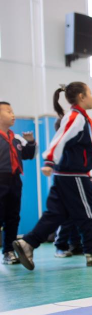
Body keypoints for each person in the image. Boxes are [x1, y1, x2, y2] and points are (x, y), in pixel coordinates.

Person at [13, 83, 92, 270]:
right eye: (91, 93)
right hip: (74, 176)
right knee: (87, 213)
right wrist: (49, 161)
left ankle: (27, 243)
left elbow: (78, 147)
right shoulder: (76, 117)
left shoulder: (81, 118)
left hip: (68, 175)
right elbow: (59, 139)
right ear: (81, 97)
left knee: (56, 214)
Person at [0, 102, 35, 265]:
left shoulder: (16, 138)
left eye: (13, 111)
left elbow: (28, 155)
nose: (12, 115)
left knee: (13, 217)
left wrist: (31, 142)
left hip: (14, 180)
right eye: (8, 111)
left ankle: (8, 251)